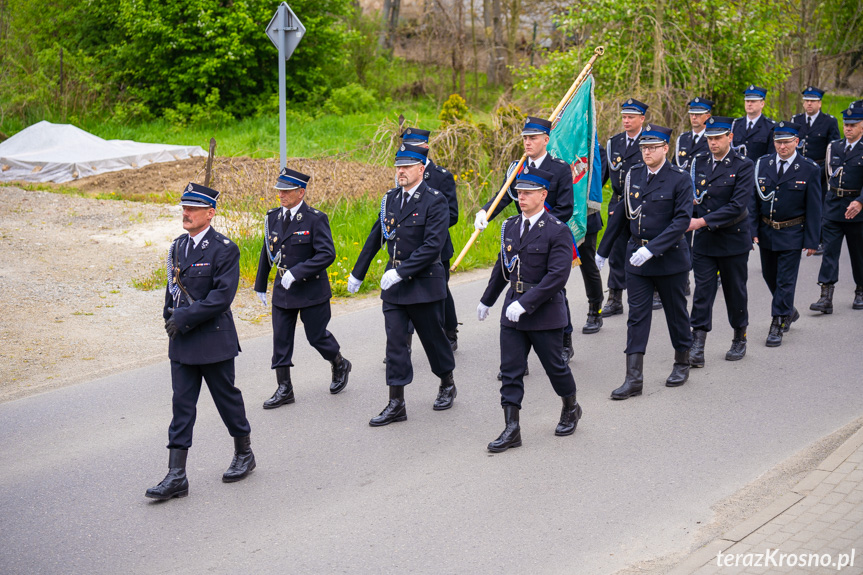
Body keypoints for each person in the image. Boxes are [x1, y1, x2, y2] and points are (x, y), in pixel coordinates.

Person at [146, 183, 254, 501]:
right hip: (182, 341)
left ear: (210, 213)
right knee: (181, 407)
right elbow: (172, 288)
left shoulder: (224, 249)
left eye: (192, 209)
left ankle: (244, 453)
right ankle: (176, 475)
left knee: (226, 400)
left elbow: (221, 297)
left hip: (213, 340)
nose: (186, 213)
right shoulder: (179, 245)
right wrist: (170, 316)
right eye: (184, 208)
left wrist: (184, 318)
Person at [348, 144, 456, 426]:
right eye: (398, 167)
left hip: (423, 283)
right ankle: (396, 402)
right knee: (395, 343)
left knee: (433, 340)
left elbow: (433, 246)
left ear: (421, 169)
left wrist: (402, 271)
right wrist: (358, 273)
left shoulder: (435, 200)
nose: (401, 172)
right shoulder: (391, 200)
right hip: (395, 289)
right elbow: (376, 237)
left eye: (407, 167)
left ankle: (447, 381)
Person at [477, 166, 581, 452]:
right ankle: (512, 428)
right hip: (512, 309)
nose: (521, 198)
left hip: (544, 311)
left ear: (543, 195)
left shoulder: (557, 230)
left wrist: (526, 303)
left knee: (555, 367)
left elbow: (557, 276)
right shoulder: (509, 226)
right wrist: (488, 299)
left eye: (527, 193)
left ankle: (571, 407)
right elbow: (503, 267)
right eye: (519, 193)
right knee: (510, 370)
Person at [596, 124, 693, 399]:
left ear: (665, 148)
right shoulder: (633, 175)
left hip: (669, 259)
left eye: (652, 147)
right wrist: (602, 251)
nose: (646, 152)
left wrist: (653, 250)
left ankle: (682, 361)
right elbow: (621, 216)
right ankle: (633, 378)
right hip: (636, 259)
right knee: (637, 317)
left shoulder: (680, 178)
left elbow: (681, 221)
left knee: (676, 314)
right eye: (643, 147)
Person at [473, 115, 575, 369]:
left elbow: (565, 208)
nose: (527, 143)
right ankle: (519, 355)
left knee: (553, 288)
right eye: (525, 138)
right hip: (520, 238)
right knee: (518, 284)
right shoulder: (518, 167)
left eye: (532, 138)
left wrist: (541, 226)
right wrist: (485, 212)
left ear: (545, 140)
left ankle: (564, 339)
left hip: (548, 237)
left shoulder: (560, 168)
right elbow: (504, 197)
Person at [253, 168, 351, 409]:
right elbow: (268, 251)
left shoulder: (315, 218)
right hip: (283, 290)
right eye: (279, 191)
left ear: (301, 192)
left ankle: (339, 362)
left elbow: (327, 254)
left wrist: (298, 272)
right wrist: (261, 285)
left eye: (286, 191)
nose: (281, 195)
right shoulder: (272, 217)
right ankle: (284, 388)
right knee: (281, 339)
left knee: (316, 336)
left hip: (310, 290)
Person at [688, 116, 756, 366]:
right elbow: (691, 195)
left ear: (730, 137)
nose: (712, 143)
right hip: (705, 242)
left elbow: (737, 206)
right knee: (702, 291)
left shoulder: (743, 165)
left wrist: (701, 222)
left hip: (732, 240)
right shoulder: (699, 162)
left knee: (734, 290)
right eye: (709, 138)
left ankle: (740, 336)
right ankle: (698, 342)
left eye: (717, 138)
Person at [750, 122, 822, 346]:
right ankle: (788, 309)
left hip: (792, 231)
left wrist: (812, 240)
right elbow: (753, 201)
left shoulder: (809, 168)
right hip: (766, 230)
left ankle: (777, 322)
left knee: (785, 281)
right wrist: (752, 230)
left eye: (787, 142)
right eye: (778, 142)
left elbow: (814, 207)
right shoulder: (762, 164)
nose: (782, 146)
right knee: (768, 275)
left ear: (796, 142)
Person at [400, 128, 460, 349]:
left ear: (425, 147)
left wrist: (427, 228)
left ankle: (450, 331)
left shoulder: (441, 176)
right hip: (406, 248)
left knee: (440, 291)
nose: (407, 149)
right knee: (403, 292)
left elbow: (452, 214)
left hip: (436, 248)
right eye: (405, 145)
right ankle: (401, 342)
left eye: (413, 144)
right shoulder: (403, 173)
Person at [810, 104, 863, 313]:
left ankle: (860, 290)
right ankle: (826, 295)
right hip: (833, 207)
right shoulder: (835, 146)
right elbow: (826, 176)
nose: (848, 128)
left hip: (857, 209)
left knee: (858, 254)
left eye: (853, 125)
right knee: (829, 253)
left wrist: (860, 201)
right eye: (846, 124)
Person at [604, 99, 650, 315]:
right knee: (616, 250)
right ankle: (615, 297)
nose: (626, 120)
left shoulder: (650, 141)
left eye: (631, 117)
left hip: (644, 203)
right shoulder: (614, 142)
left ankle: (655, 291)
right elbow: (604, 174)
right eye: (624, 116)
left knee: (645, 246)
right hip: (617, 202)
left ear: (642, 119)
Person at [675, 97, 714, 297]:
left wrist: (698, 194)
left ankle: (709, 276)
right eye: (691, 114)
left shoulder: (713, 138)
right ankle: (684, 278)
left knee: (704, 240)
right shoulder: (683, 139)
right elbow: (677, 168)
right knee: (682, 239)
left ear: (708, 116)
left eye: (698, 114)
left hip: (704, 198)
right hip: (684, 198)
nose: (694, 117)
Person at [579, 144, 610, 334]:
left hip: (585, 215)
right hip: (561, 214)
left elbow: (599, 179)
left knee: (587, 264)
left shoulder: (595, 150)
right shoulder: (559, 143)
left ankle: (595, 309)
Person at [732, 85, 775, 160]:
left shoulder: (771, 127)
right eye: (747, 101)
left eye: (753, 101)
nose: (749, 104)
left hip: (759, 170)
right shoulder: (735, 124)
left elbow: (771, 156)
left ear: (762, 104)